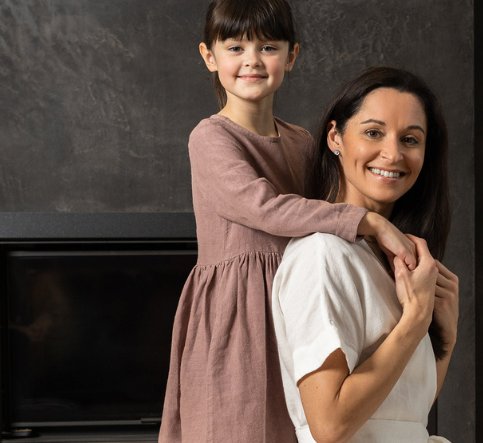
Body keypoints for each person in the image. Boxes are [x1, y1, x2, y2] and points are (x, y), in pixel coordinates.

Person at [158, 2, 418, 442]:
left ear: (291, 56)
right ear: (209, 56)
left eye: (268, 47)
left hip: (298, 301)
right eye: (236, 47)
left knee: (299, 424)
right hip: (238, 311)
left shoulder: (301, 141)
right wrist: (369, 223)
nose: (252, 61)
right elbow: (264, 208)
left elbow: (327, 211)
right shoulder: (211, 137)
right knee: (238, 423)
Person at [272, 66, 459, 443]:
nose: (392, 153)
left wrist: (446, 338)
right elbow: (330, 426)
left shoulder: (399, 263)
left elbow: (406, 410)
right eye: (373, 133)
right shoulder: (321, 255)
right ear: (335, 137)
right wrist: (416, 320)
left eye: (411, 139)